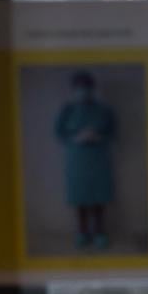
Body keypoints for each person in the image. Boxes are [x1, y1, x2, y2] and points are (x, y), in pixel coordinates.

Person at [55, 71, 116, 249]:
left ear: (92, 89)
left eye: (86, 87)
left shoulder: (104, 110)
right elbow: (59, 133)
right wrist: (76, 138)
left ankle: (99, 233)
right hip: (77, 161)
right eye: (79, 87)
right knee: (80, 199)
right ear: (74, 89)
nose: (83, 91)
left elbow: (113, 133)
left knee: (98, 199)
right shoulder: (68, 110)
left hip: (99, 160)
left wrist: (98, 137)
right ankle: (82, 233)